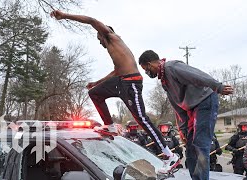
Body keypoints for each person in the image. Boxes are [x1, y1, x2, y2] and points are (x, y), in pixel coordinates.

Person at [50, 11, 179, 173]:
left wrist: (64, 16)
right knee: (95, 93)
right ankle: (109, 125)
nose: (100, 43)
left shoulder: (111, 36)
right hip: (121, 81)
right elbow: (116, 71)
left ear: (104, 33)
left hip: (131, 82)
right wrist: (96, 83)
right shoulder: (116, 51)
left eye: (100, 39)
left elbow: (91, 20)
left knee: (142, 120)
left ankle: (169, 155)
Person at [138, 50, 233, 180]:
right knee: (190, 148)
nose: (147, 73)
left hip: (205, 100)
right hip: (192, 108)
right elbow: (178, 108)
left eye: (146, 69)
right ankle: (195, 178)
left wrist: (217, 86)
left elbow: (197, 76)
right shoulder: (165, 81)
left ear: (150, 64)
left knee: (200, 144)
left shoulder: (171, 67)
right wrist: (183, 130)